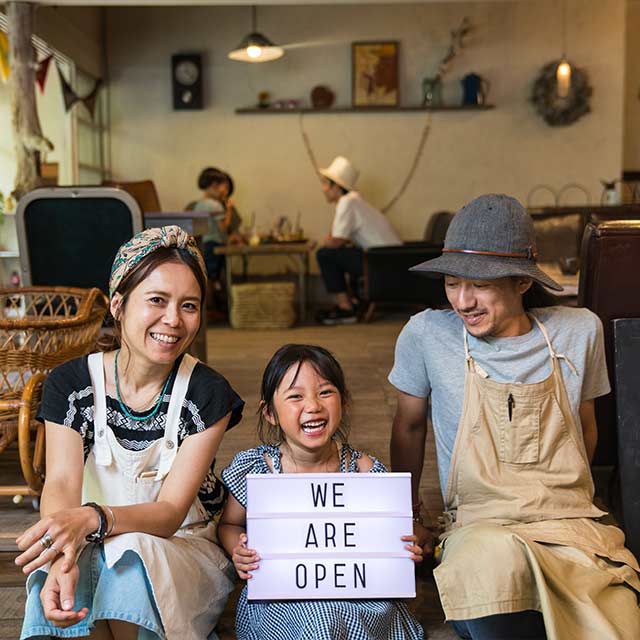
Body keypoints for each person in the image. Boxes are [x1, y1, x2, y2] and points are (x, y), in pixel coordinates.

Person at [388, 194, 640, 639]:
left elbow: (585, 430)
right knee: (492, 595)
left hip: (570, 523)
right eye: (451, 283)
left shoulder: (580, 331)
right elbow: (408, 427)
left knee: (613, 618)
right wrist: (407, 516)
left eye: (479, 285)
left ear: (523, 283)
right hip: (481, 525)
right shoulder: (427, 334)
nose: (463, 301)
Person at [16, 225, 244, 639]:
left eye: (189, 306)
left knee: (130, 559)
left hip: (179, 546)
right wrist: (59, 558)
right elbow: (62, 483)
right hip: (87, 536)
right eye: (157, 300)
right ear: (118, 304)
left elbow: (171, 512)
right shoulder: (71, 384)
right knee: (66, 578)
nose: (173, 320)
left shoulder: (208, 394)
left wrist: (92, 517)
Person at [218, 343, 425, 639]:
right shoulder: (257, 470)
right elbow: (229, 524)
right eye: (295, 396)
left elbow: (392, 533)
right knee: (320, 616)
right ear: (270, 413)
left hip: (359, 598)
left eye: (325, 392)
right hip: (282, 599)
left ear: (345, 402)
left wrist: (404, 548)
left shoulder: (363, 470)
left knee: (331, 615)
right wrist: (238, 550)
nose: (313, 406)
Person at [316, 156, 401, 325]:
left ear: (337, 187)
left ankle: (346, 307)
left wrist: (325, 242)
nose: (323, 189)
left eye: (326, 184)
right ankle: (351, 303)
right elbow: (337, 237)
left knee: (325, 254)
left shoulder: (347, 202)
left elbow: (335, 241)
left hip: (384, 260)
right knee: (333, 252)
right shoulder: (353, 200)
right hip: (390, 257)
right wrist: (331, 239)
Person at [192, 167, 242, 281]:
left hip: (202, 246)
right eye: (225, 188)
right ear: (215, 185)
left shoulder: (198, 205)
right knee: (213, 278)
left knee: (206, 276)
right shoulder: (216, 205)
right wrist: (229, 209)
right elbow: (223, 227)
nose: (225, 192)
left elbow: (196, 230)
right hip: (214, 245)